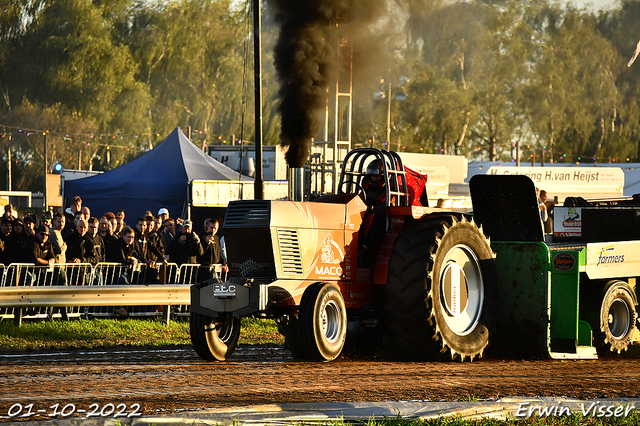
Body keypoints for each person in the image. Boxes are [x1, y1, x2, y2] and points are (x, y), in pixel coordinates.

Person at [358, 159, 388, 267]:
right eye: (372, 176)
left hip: (380, 221)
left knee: (372, 216)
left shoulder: (387, 191)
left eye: (378, 176)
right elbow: (358, 201)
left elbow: (386, 206)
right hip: (363, 215)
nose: (374, 178)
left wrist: (372, 209)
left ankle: (363, 247)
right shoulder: (366, 189)